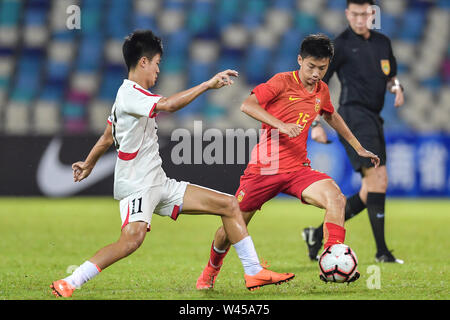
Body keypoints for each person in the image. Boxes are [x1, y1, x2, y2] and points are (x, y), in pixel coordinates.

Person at [50, 30, 295, 298]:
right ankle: (71, 281)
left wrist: (88, 163)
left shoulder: (131, 96)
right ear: (143, 62)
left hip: (159, 183)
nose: (157, 71)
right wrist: (206, 85)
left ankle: (253, 271)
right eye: (156, 63)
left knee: (229, 204)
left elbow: (108, 136)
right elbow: (167, 105)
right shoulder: (131, 95)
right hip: (138, 185)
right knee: (131, 240)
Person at [196, 33, 380, 290]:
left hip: (297, 170)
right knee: (230, 229)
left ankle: (331, 255)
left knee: (335, 197)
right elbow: (247, 106)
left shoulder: (322, 91)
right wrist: (282, 125)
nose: (316, 73)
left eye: (322, 68)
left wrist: (358, 146)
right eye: (311, 67)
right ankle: (209, 271)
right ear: (299, 60)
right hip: (264, 169)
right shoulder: (281, 82)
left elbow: (331, 115)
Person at [303, 0, 405, 264]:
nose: (361, 19)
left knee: (368, 189)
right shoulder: (341, 46)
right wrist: (314, 124)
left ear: (373, 13)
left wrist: (396, 88)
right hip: (353, 115)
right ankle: (382, 252)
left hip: (374, 117)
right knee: (378, 181)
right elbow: (317, 84)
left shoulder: (383, 42)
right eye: (355, 14)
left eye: (366, 13)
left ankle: (316, 234)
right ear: (348, 14)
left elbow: (391, 75)